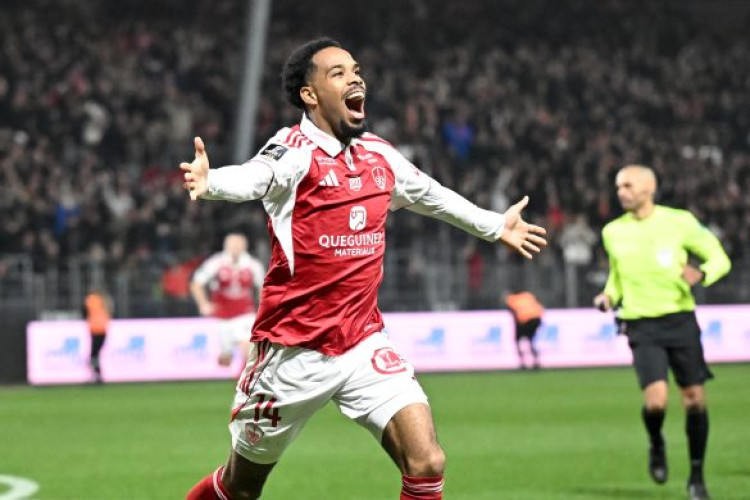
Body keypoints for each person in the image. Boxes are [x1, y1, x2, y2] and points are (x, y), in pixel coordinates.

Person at [181, 37, 547, 500]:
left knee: (427, 462)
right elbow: (256, 176)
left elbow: (432, 196)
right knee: (240, 487)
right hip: (293, 353)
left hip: (362, 341)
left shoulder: (379, 154)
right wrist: (212, 181)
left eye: (356, 71)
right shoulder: (292, 152)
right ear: (310, 95)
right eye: (337, 73)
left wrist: (495, 226)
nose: (355, 79)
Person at [594, 165, 731, 500]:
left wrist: (703, 273)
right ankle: (656, 441)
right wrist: (608, 296)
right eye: (618, 186)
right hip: (641, 323)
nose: (621, 192)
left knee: (694, 399)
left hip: (680, 320)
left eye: (628, 185)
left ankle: (696, 477)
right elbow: (617, 276)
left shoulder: (680, 222)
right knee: (656, 403)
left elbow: (719, 258)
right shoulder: (613, 231)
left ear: (648, 188)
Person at [191, 233, 265, 368]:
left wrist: (262, 310)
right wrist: (203, 304)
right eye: (232, 244)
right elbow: (196, 283)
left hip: (245, 314)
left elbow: (263, 288)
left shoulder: (253, 265)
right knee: (225, 360)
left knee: (248, 351)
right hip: (222, 316)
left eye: (238, 244)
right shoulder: (215, 263)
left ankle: (245, 380)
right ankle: (229, 363)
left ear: (244, 246)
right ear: (226, 246)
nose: (235, 247)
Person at [504, 289, 544, 370]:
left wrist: (518, 327)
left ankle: (523, 363)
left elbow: (514, 314)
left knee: (517, 341)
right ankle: (536, 362)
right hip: (537, 318)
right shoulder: (527, 295)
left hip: (524, 319)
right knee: (530, 341)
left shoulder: (511, 299)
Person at [82, 288, 113, 384]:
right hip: (103, 329)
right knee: (95, 355)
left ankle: (97, 375)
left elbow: (84, 311)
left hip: (95, 330)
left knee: (94, 355)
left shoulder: (90, 299)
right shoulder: (104, 300)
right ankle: (97, 375)